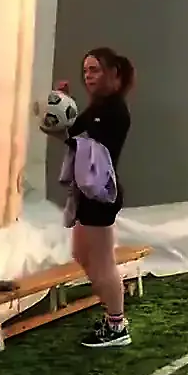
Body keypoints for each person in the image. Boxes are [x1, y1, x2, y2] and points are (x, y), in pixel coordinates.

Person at [57, 47, 135, 348]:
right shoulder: (98, 107)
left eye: (95, 70)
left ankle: (117, 325)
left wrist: (61, 118)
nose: (88, 76)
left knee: (103, 263)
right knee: (81, 254)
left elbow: (80, 140)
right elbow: (72, 135)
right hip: (88, 194)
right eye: (86, 70)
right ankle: (111, 311)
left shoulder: (113, 110)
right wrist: (63, 107)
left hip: (100, 194)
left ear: (113, 73)